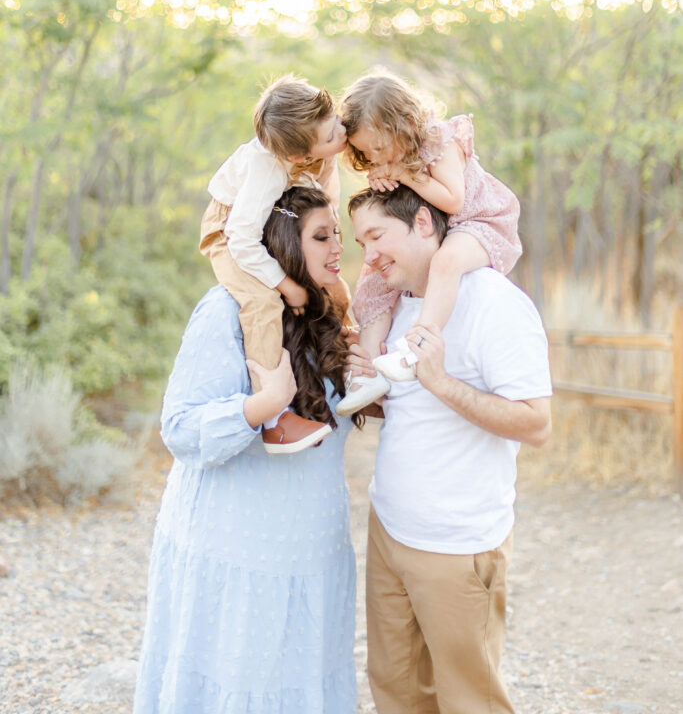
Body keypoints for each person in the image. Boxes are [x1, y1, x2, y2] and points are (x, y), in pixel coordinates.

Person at [134, 187, 360, 714]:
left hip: (310, 550)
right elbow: (181, 427)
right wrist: (264, 405)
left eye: (339, 237)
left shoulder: (330, 313)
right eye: (321, 237)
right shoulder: (227, 310)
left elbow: (333, 428)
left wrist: (364, 381)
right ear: (282, 241)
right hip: (236, 548)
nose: (336, 250)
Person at [347, 184, 552, 714]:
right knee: (395, 688)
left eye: (376, 236)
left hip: (458, 544)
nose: (368, 255)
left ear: (420, 222)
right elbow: (408, 417)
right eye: (360, 241)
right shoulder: (393, 305)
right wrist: (365, 388)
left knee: (470, 700)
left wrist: (440, 382)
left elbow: (535, 423)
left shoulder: (494, 302)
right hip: (389, 530)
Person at [336, 71, 522, 417]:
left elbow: (453, 200)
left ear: (406, 123)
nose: (375, 158)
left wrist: (403, 175)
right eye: (366, 152)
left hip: (479, 220)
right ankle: (367, 373)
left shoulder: (441, 140)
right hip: (441, 226)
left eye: (378, 147)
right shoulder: (390, 155)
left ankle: (417, 345)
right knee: (373, 282)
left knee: (445, 263)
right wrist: (383, 180)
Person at [199, 74, 349, 451]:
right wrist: (286, 284)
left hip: (260, 224)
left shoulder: (306, 147)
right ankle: (274, 418)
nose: (341, 134)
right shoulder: (266, 170)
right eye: (332, 137)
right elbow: (242, 239)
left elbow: (324, 200)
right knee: (262, 303)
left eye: (337, 122)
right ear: (298, 155)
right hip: (229, 232)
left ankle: (353, 358)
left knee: (331, 284)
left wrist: (329, 157)